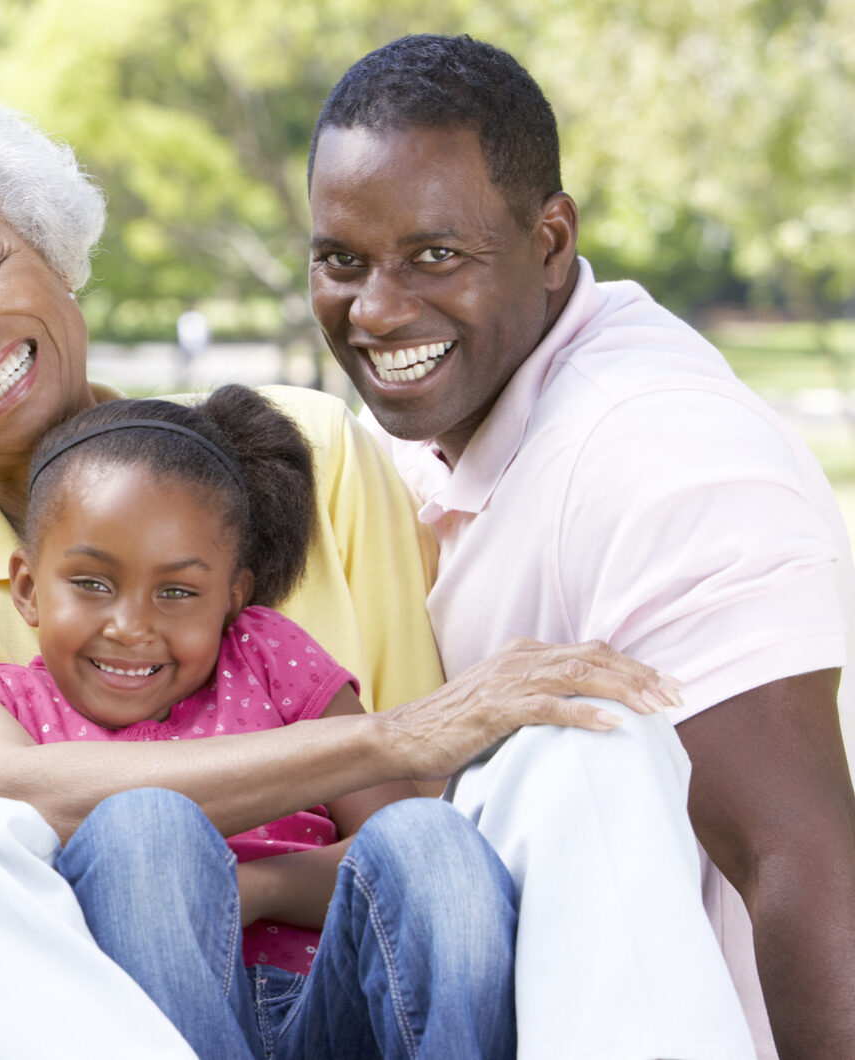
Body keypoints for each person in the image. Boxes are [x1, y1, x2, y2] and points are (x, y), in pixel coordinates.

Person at [0, 83, 677, 1059]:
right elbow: (12, 792)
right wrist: (391, 735)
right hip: (98, 1014)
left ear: (54, 253)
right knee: (144, 833)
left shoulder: (311, 452)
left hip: (344, 994)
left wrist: (288, 864)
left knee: (489, 810)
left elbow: (419, 829)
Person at [306, 35, 855, 1059]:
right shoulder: (444, 423)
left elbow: (794, 852)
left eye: (434, 256)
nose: (374, 309)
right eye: (341, 260)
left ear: (550, 241)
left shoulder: (661, 453)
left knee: (575, 753)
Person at [0, 390, 514, 1057]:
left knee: (429, 833)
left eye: (177, 592)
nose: (130, 626)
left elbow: (386, 854)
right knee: (143, 824)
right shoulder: (10, 714)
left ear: (232, 596)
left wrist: (257, 890)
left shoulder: (268, 657)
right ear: (28, 588)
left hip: (324, 1008)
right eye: (92, 584)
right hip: (153, 1024)